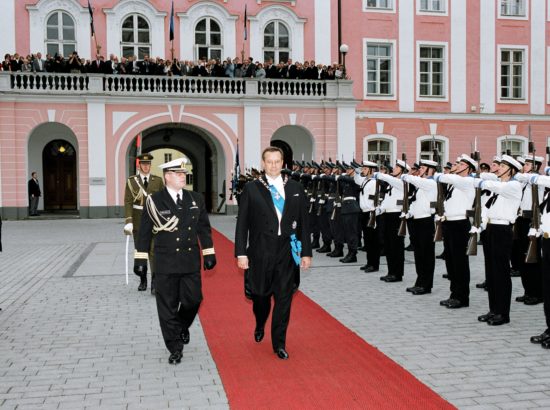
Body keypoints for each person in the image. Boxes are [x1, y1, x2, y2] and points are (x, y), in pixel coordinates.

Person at [134, 158, 216, 364]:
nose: (183, 176)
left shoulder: (195, 198)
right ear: (167, 177)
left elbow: (203, 228)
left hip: (189, 260)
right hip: (165, 261)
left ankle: (181, 326)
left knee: (194, 299)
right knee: (167, 306)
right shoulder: (154, 200)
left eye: (184, 173)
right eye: (178, 173)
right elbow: (144, 232)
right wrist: (141, 259)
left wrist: (208, 252)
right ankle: (174, 347)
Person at [235, 146, 312, 360]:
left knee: (284, 298)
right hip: (260, 251)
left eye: (277, 161)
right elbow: (242, 224)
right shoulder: (252, 188)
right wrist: (241, 253)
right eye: (269, 161)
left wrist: (306, 252)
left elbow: (304, 222)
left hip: (287, 251)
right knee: (260, 296)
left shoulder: (296, 187)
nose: (273, 165)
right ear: (263, 163)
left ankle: (279, 343)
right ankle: (260, 321)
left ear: (283, 163)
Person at [476, 155, 522, 326]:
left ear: (511, 169)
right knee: (491, 271)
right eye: (500, 165)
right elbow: (487, 207)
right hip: (491, 229)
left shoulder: (513, 186)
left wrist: (479, 181)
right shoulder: (500, 186)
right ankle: (493, 309)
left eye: (503, 166)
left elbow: (490, 183)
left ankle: (503, 313)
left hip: (503, 230)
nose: (499, 168)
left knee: (501, 272)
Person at [124, 153, 164, 292]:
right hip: (138, 220)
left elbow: (163, 200)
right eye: (143, 164)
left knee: (153, 251)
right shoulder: (132, 181)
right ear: (139, 165)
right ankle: (143, 280)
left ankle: (154, 281)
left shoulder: (157, 181)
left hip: (154, 221)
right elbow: (128, 201)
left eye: (148, 164)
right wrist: (129, 221)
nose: (146, 167)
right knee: (141, 251)